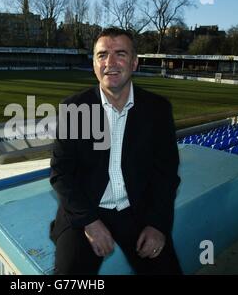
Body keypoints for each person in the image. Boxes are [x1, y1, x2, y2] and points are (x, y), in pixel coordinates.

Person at [49, 27, 182, 275]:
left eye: (120, 54)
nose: (110, 62)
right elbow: (61, 173)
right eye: (102, 55)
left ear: (134, 63)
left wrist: (157, 224)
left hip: (137, 210)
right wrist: (89, 222)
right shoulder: (74, 108)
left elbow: (166, 174)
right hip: (85, 211)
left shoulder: (157, 109)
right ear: (93, 64)